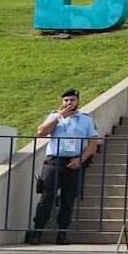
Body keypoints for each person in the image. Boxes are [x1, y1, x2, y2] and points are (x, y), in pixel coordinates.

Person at [29, 89, 98, 243]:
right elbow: (41, 132)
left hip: (74, 163)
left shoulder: (86, 119)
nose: (69, 103)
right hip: (54, 163)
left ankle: (62, 233)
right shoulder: (54, 116)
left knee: (68, 200)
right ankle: (37, 232)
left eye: (72, 100)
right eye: (66, 100)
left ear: (78, 101)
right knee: (46, 197)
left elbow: (93, 143)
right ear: (62, 101)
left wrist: (81, 160)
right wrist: (59, 117)